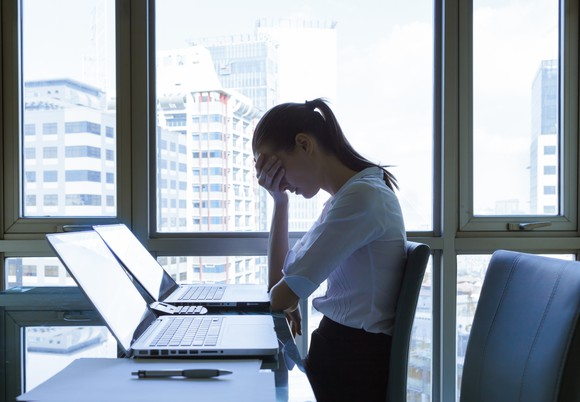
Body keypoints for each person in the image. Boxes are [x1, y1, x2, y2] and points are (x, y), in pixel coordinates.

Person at [253, 98, 407, 402]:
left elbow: (281, 295)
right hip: (341, 358)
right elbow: (279, 288)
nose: (278, 182)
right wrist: (279, 201)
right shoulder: (347, 198)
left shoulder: (361, 200)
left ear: (304, 144)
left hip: (351, 369)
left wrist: (287, 294)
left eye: (275, 168)